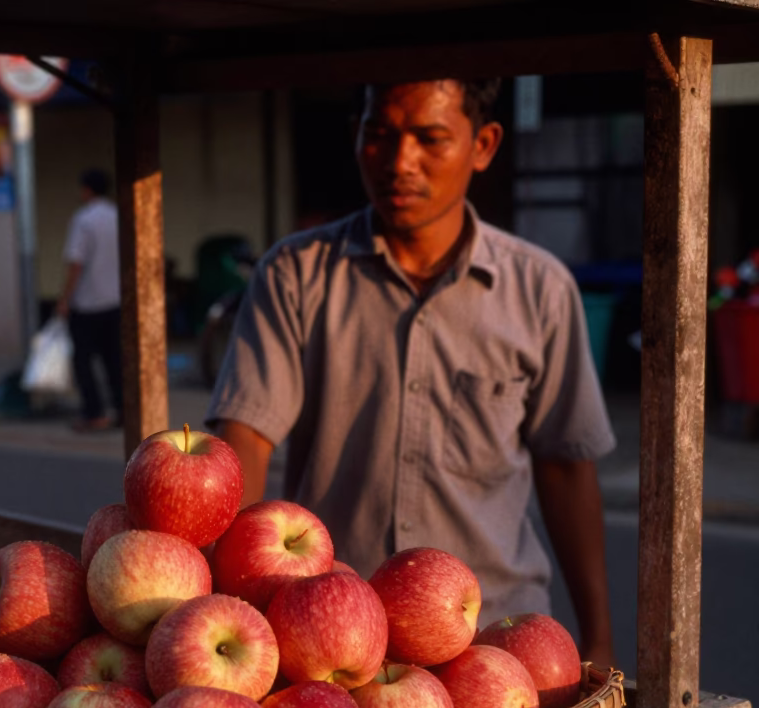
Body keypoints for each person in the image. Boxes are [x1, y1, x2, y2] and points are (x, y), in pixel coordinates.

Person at [206, 79, 617, 668]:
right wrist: (226, 604)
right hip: (335, 635)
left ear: (484, 144)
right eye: (379, 135)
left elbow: (567, 470)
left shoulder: (540, 290)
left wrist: (597, 639)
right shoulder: (295, 275)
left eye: (430, 138)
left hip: (497, 642)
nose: (400, 162)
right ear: (356, 136)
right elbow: (244, 435)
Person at [56, 169, 123, 432]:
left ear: (86, 189)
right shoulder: (118, 216)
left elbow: (76, 263)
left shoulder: (83, 220)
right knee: (114, 360)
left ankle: (94, 412)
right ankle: (121, 408)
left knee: (83, 362)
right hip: (115, 300)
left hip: (87, 302)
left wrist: (64, 299)